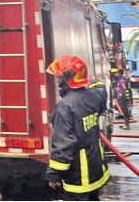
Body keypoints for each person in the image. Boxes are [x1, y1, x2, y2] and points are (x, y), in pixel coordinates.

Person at [46, 54, 110, 200]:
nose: (57, 79)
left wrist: (53, 175)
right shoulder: (94, 96)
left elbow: (63, 145)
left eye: (59, 76)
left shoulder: (65, 107)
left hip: (79, 177)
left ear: (68, 77)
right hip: (95, 169)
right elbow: (100, 87)